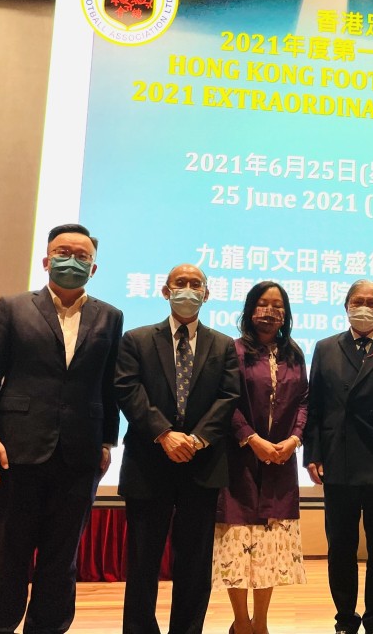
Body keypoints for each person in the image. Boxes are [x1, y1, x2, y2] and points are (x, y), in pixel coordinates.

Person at [0, 223, 123, 634]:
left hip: (81, 454)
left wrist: (108, 441)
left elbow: (109, 383)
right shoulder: (12, 307)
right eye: (63, 252)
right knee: (8, 555)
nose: (72, 260)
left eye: (82, 255)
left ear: (93, 268)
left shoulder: (110, 316)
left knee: (62, 557)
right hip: (17, 451)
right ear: (46, 260)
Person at [115, 263, 241, 634]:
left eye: (195, 284)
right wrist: (164, 434)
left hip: (202, 464)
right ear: (165, 290)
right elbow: (128, 390)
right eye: (180, 283)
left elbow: (228, 396)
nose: (188, 289)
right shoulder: (136, 340)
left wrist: (198, 439)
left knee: (195, 562)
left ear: (207, 293)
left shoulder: (222, 345)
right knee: (142, 561)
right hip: (148, 461)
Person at [304, 280, 373, 634]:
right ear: (345, 306)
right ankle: (345, 619)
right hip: (338, 460)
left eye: (371, 302)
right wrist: (313, 454)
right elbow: (315, 407)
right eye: (357, 301)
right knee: (340, 546)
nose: (364, 307)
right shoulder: (325, 347)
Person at [213, 281, 308, 634]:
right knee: (236, 547)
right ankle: (240, 623)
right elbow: (226, 401)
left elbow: (304, 401)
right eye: (263, 304)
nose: (270, 312)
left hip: (281, 463)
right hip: (239, 462)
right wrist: (251, 440)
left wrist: (294, 439)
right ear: (250, 310)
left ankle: (261, 624)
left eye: (278, 306)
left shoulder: (294, 354)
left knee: (271, 548)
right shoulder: (232, 351)